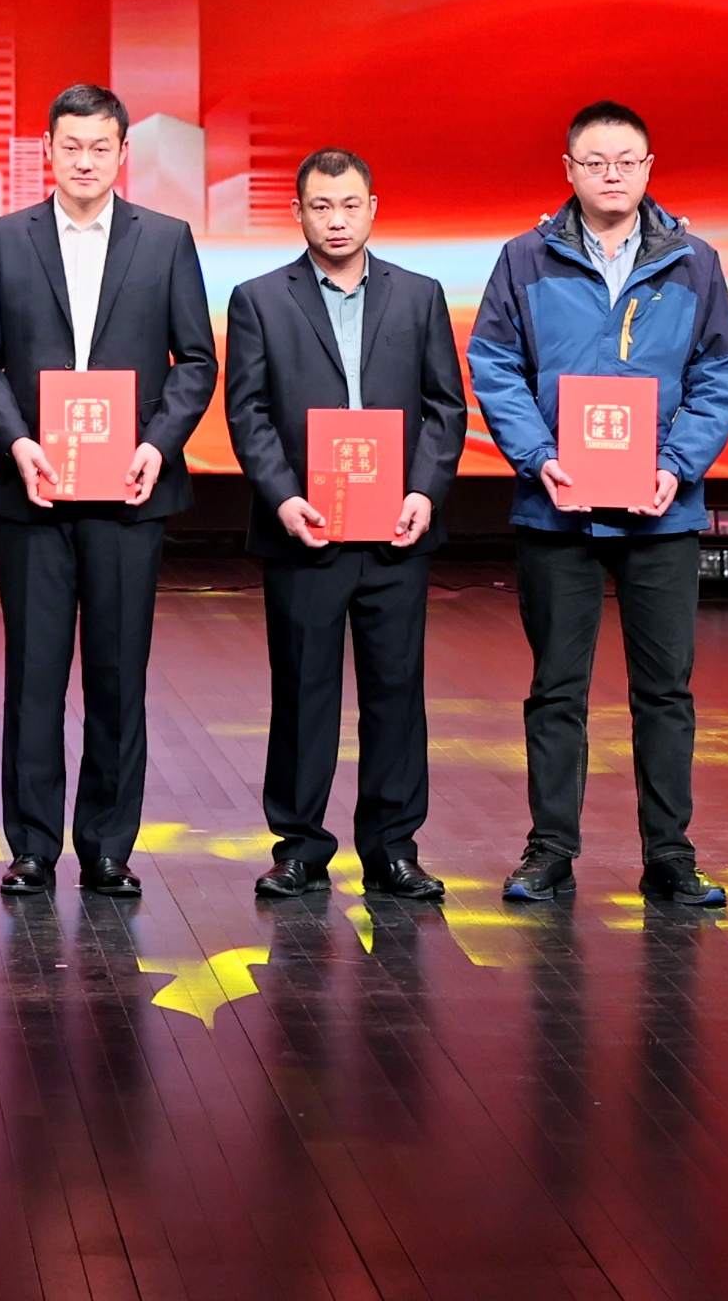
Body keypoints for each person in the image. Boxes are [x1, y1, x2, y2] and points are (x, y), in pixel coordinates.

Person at [467, 101, 728, 909]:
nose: (612, 175)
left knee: (666, 690)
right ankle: (550, 850)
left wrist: (677, 465)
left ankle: (670, 854)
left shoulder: (694, 262)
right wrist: (540, 458)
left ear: (649, 167)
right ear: (569, 170)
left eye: (627, 161)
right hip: (557, 508)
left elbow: (720, 373)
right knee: (557, 687)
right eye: (595, 162)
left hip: (662, 509)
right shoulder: (525, 259)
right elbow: (494, 364)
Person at [0, 82, 217, 899]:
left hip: (129, 495)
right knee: (34, 676)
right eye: (71, 146)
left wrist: (155, 445)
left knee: (117, 675)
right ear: (47, 150)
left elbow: (196, 361)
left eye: (101, 148)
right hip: (35, 493)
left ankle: (107, 847)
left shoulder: (165, 240)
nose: (86, 162)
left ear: (123, 154)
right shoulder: (4, 239)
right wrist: (18, 441)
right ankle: (32, 846)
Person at [222, 148, 465, 906]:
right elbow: (248, 412)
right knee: (303, 691)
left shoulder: (419, 295)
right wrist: (282, 497)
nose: (336, 220)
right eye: (321, 206)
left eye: (350, 205)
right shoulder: (259, 299)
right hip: (307, 529)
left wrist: (425, 490)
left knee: (397, 691)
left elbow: (445, 406)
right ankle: (299, 848)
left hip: (396, 529)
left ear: (372, 208)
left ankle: (393, 850)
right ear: (297, 213)